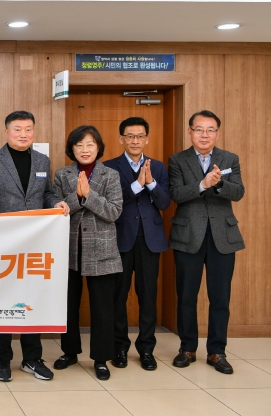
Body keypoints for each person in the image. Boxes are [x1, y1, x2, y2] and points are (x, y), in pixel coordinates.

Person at [0, 111, 69, 382]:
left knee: (32, 299)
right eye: (17, 129)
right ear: (7, 131)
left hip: (36, 244)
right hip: (2, 244)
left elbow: (47, 193)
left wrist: (55, 203)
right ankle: (2, 360)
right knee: (2, 301)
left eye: (28, 129)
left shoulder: (42, 160)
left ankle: (32, 358)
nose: (23, 134)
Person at [168, 110, 244, 375]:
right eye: (199, 129)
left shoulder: (230, 159)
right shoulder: (177, 160)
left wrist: (219, 183)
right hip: (188, 236)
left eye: (210, 130)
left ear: (217, 134)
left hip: (223, 237)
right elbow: (176, 194)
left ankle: (217, 351)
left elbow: (239, 192)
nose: (204, 135)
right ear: (190, 132)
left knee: (220, 297)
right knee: (186, 296)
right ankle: (187, 348)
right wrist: (202, 184)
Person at [52, 125, 122, 381]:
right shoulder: (62, 174)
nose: (84, 149)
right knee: (68, 304)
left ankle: (101, 358)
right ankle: (69, 352)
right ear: (71, 148)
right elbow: (57, 207)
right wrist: (77, 197)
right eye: (79, 144)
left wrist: (89, 195)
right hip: (69, 249)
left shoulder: (111, 175)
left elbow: (114, 211)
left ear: (98, 147)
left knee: (102, 308)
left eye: (90, 144)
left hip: (102, 250)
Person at [103, 117, 170, 371]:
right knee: (118, 296)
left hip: (150, 240)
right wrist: (137, 185)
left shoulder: (159, 167)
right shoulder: (109, 167)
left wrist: (151, 183)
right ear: (121, 139)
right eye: (130, 136)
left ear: (147, 139)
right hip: (120, 238)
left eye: (140, 136)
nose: (135, 141)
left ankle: (146, 349)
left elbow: (164, 203)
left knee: (148, 296)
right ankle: (119, 347)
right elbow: (111, 201)